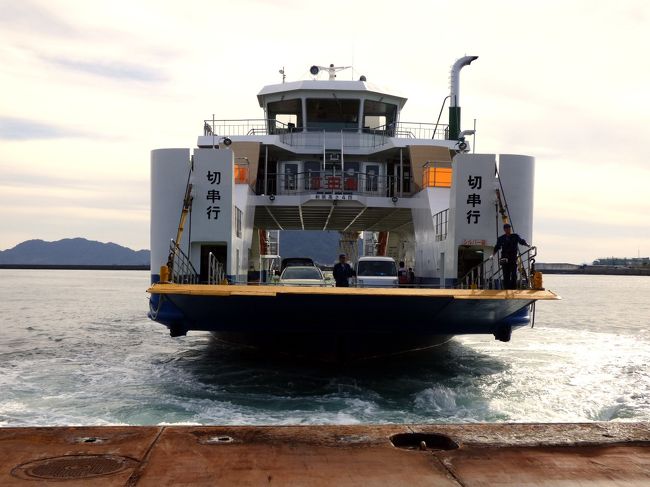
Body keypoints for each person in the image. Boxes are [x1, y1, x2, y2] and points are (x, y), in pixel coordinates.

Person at [492, 223, 530, 290]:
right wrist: (493, 255)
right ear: (504, 229)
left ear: (510, 229)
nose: (508, 229)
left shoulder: (515, 236)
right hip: (504, 258)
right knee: (506, 274)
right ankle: (506, 289)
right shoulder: (501, 238)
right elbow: (497, 247)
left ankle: (513, 289)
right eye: (506, 228)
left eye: (509, 228)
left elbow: (521, 241)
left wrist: (528, 245)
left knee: (513, 274)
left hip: (513, 258)